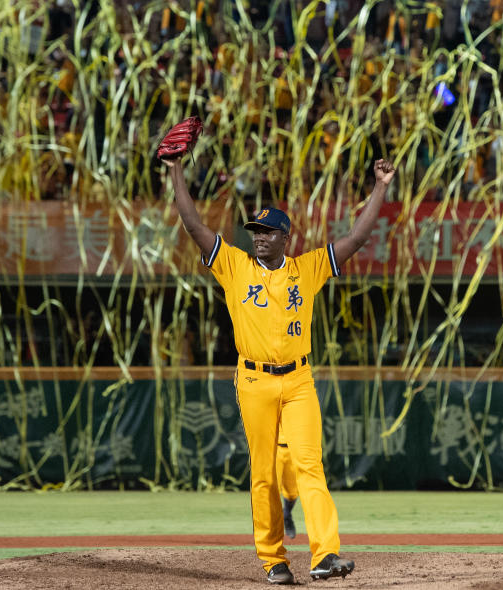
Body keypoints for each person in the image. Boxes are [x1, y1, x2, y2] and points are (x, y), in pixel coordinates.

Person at [161, 154, 396, 585]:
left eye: (268, 231)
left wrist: (380, 186)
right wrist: (176, 170)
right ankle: (273, 559)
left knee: (310, 465)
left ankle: (325, 554)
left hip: (299, 379)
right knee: (264, 471)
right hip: (252, 380)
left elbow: (358, 237)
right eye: (255, 231)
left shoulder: (306, 269)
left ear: (285, 237)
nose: (259, 238)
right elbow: (194, 225)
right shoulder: (235, 266)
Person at [276, 430, 299, 540]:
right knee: (272, 489)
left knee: (292, 493)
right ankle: (273, 527)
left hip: (293, 449)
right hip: (274, 448)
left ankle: (286, 516)